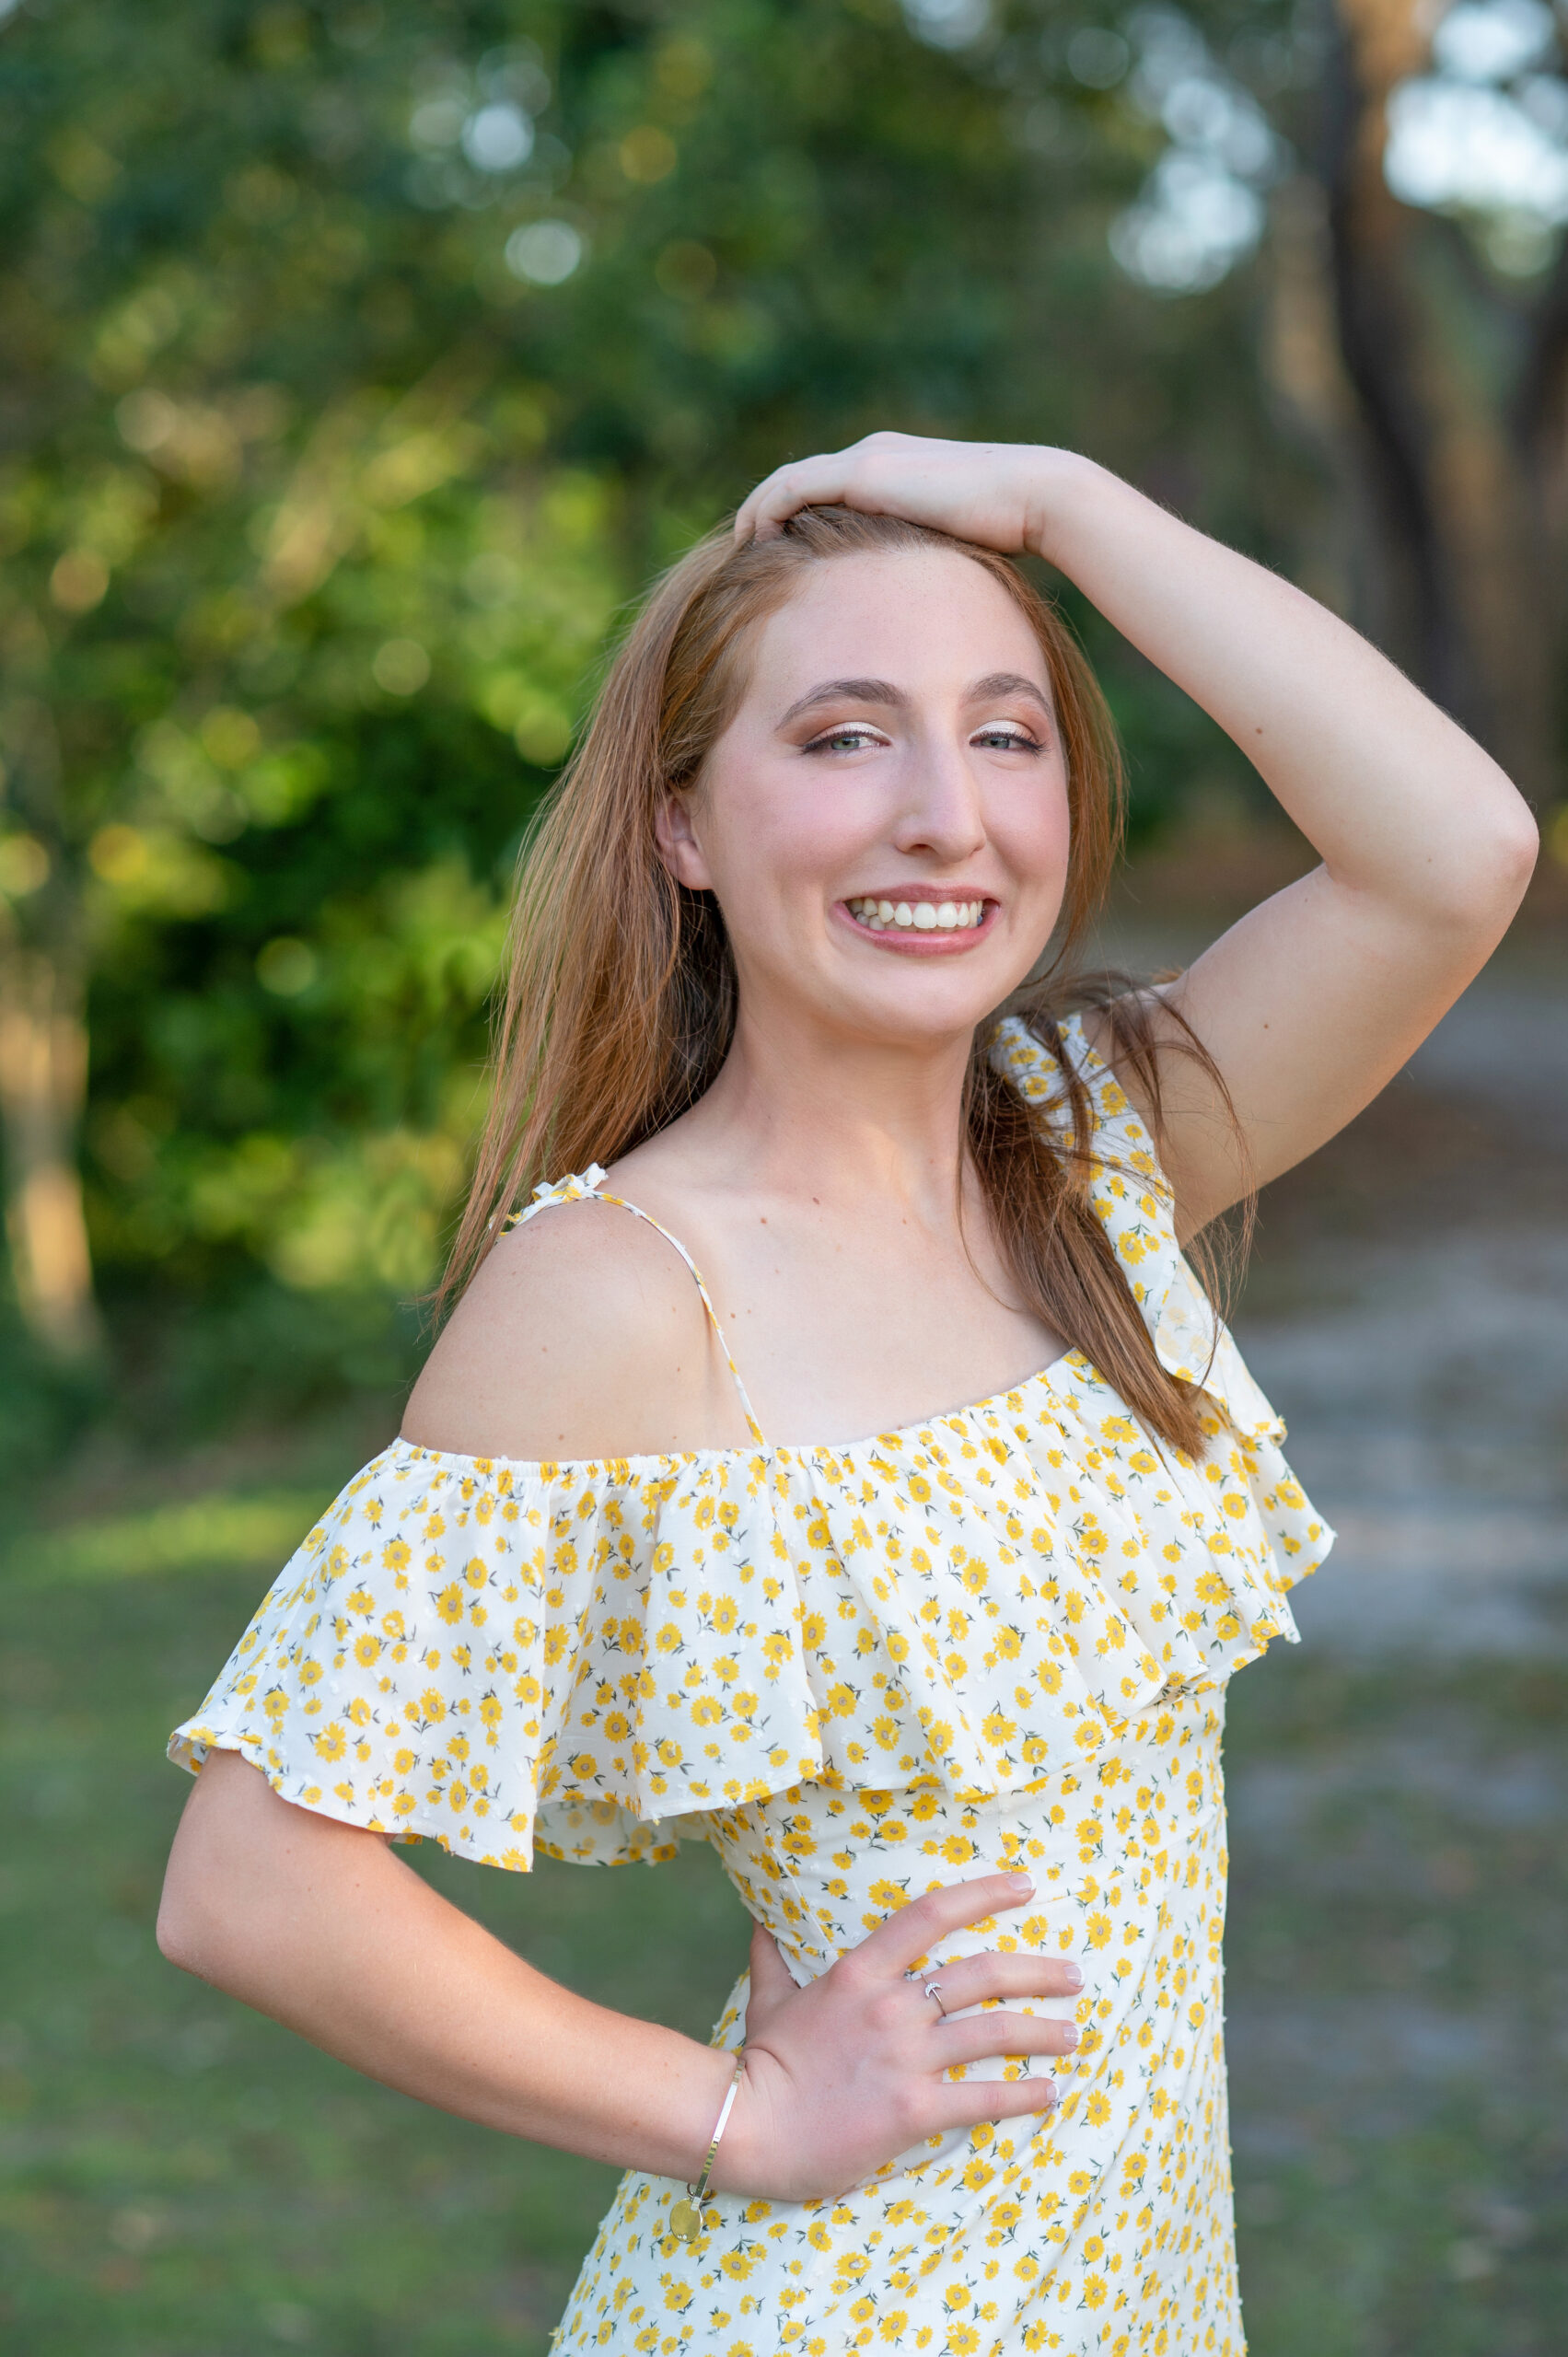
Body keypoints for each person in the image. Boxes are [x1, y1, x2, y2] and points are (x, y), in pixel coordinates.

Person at [157, 435, 1537, 2354]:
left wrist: (1064, 504)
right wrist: (739, 2111)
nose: (945, 817)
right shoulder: (625, 1291)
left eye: (1005, 734)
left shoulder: (1086, 1154)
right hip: (839, 2305)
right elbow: (253, 1880)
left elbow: (1455, 850)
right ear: (683, 826)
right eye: (842, 738)